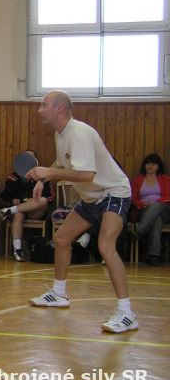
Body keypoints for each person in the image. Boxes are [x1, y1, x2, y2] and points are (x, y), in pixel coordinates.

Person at [26, 90, 136, 333]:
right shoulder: (60, 133)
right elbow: (61, 164)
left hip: (113, 193)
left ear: (59, 109)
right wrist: (43, 180)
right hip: (91, 198)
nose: (39, 110)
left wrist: (49, 173)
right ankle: (59, 294)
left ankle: (127, 313)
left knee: (106, 246)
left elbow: (87, 174)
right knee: (61, 238)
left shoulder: (80, 133)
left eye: (44, 105)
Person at [0, 150, 54, 261]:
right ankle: (17, 250)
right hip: (20, 210)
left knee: (42, 201)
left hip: (36, 211)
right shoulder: (13, 177)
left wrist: (34, 200)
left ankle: (9, 210)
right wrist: (12, 200)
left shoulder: (42, 177)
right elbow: (4, 195)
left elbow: (50, 197)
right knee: (18, 214)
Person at [131, 153, 170, 266]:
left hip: (164, 209)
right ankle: (154, 256)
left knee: (157, 206)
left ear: (158, 166)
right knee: (156, 220)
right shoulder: (138, 179)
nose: (150, 166)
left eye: (153, 164)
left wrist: (156, 201)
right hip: (144, 210)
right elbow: (133, 198)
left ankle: (140, 232)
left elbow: (168, 196)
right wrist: (141, 204)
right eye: (148, 164)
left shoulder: (165, 179)